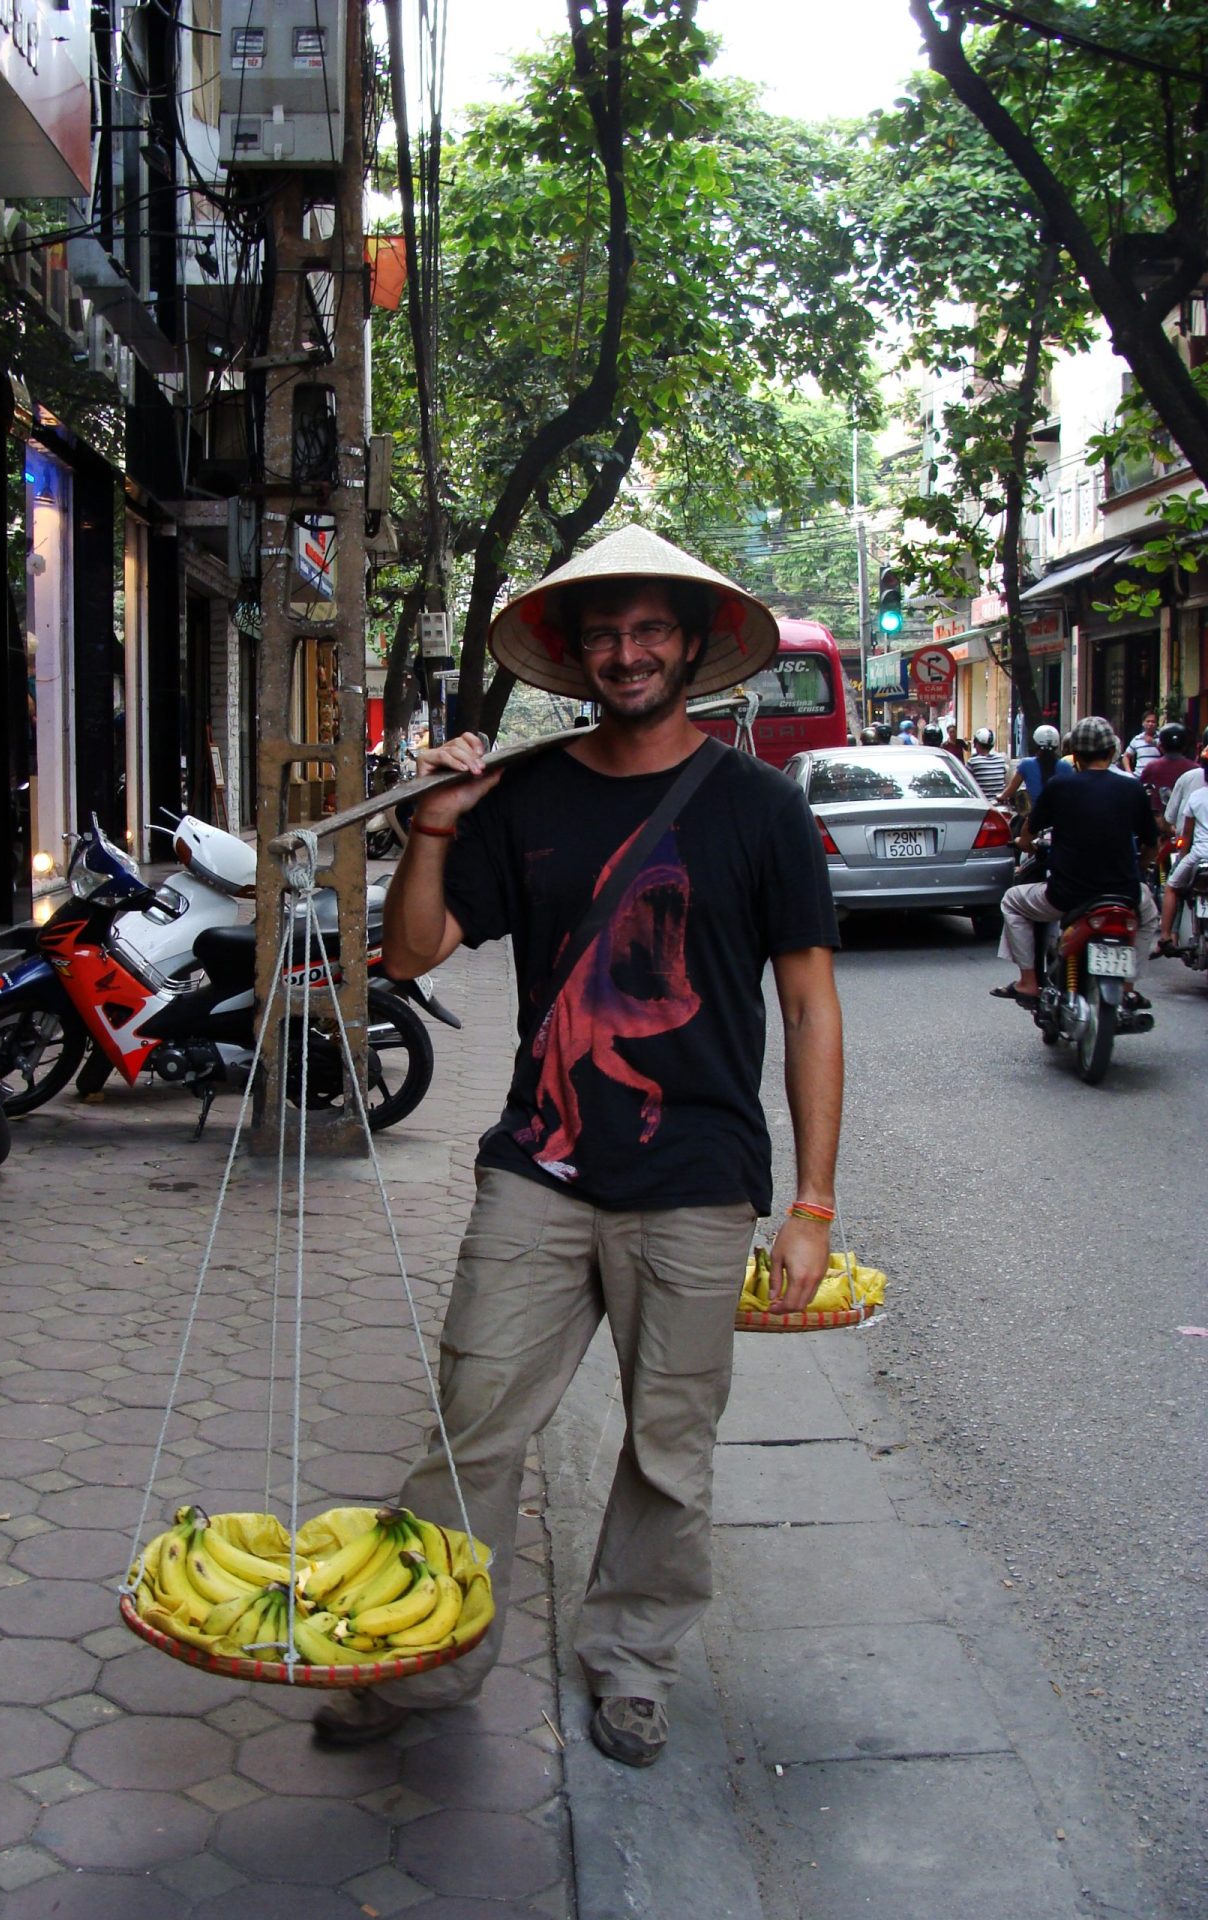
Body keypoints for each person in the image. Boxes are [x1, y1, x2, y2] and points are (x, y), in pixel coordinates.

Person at [312, 526, 843, 1767]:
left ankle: (634, 1659)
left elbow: (812, 1012)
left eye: (651, 629)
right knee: (471, 1422)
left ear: (695, 647)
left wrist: (811, 1205)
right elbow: (409, 957)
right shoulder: (530, 795)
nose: (627, 652)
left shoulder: (763, 810)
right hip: (538, 1170)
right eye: (603, 634)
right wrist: (433, 829)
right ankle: (425, 1659)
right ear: (571, 654)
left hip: (700, 1182)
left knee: (670, 1447)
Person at [990, 716, 1160, 1005]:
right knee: (1149, 916)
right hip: (1124, 893)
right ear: (1111, 753)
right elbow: (1152, 845)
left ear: (1075, 756)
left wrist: (1025, 843)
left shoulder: (1060, 786)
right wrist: (1139, 871)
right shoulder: (1131, 788)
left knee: (1012, 901)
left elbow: (1029, 829)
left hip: (1066, 895)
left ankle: (1029, 982)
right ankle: (1128, 986)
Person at [1154, 737, 1208, 954]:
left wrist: (1183, 858)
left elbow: (1186, 834)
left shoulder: (1196, 796)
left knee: (1172, 887)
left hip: (1199, 855)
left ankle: (1166, 936)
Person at [998, 724, 1062, 810]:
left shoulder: (1026, 764)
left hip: (1035, 816)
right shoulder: (1065, 765)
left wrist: (1000, 797)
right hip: (1061, 817)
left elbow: (1010, 792)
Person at [967, 726, 1010, 799]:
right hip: (999, 803)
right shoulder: (1000, 759)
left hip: (982, 804)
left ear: (977, 743)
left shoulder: (973, 762)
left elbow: (967, 784)